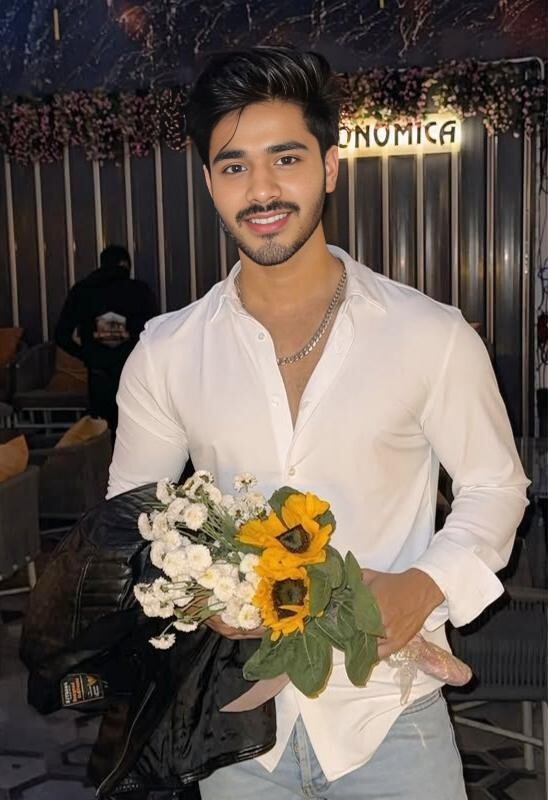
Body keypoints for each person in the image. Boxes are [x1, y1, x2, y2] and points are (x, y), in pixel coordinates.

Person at [107, 48, 529, 799]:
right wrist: (203, 594)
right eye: (234, 166)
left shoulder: (429, 334)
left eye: (287, 158)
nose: (262, 189)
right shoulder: (167, 351)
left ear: (330, 166)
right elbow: (131, 520)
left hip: (391, 714)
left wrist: (426, 584)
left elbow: (497, 486)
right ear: (208, 182)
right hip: (236, 725)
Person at [55, 245, 156, 432]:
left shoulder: (83, 291)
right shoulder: (139, 291)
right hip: (133, 375)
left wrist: (86, 355)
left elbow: (61, 335)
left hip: (98, 375)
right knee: (133, 432)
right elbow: (155, 332)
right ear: (126, 265)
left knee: (101, 433)